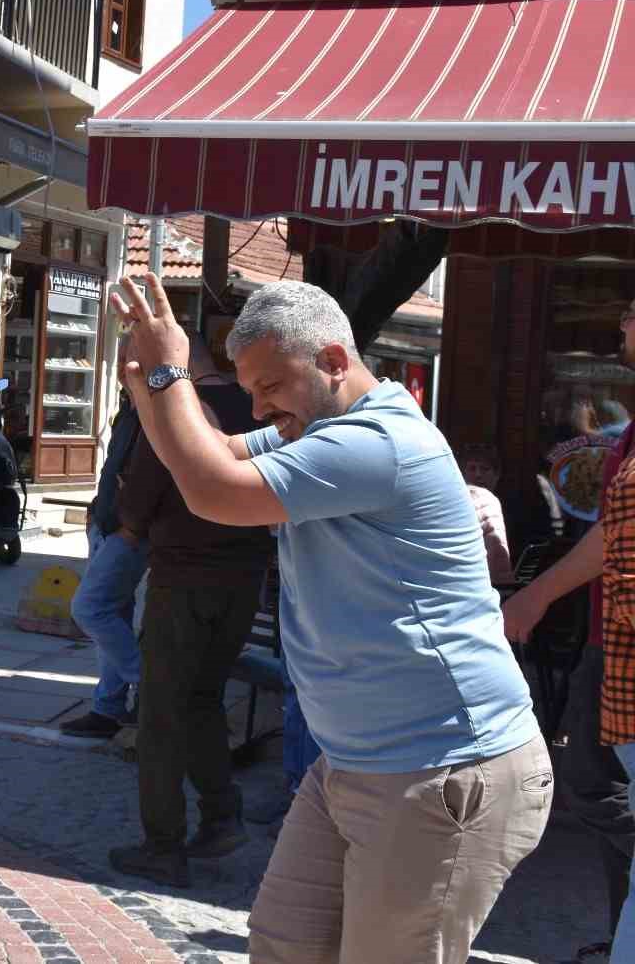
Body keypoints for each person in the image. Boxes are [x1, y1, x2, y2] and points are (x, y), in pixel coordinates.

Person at [114, 275, 549, 963]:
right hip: (354, 763)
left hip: (442, 770)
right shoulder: (321, 432)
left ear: (334, 362)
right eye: (250, 391)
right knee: (283, 947)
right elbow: (211, 454)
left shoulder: (376, 443)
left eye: (270, 387)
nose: (258, 410)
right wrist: (146, 380)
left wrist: (171, 369)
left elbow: (211, 489)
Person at [107, 331, 273, 888]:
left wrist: (130, 524)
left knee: (160, 714)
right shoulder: (256, 410)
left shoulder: (175, 404)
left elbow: (144, 493)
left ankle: (163, 845)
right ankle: (222, 815)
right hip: (245, 574)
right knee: (203, 698)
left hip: (184, 574)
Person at [504, 300, 635, 963]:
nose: (622, 330)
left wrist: (532, 597)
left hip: (621, 645)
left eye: (632, 317)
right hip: (604, 636)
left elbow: (619, 534)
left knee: (596, 784)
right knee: (595, 780)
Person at [61, 338, 149, 740]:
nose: (124, 366)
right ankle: (108, 707)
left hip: (129, 532)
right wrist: (97, 511)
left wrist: (134, 524)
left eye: (134, 358)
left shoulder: (157, 408)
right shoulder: (127, 409)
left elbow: (161, 476)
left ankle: (151, 688)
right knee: (113, 615)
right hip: (105, 522)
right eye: (122, 358)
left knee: (89, 608)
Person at [458, 443, 513, 586]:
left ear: (496, 475)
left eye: (484, 469)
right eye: (472, 468)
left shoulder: (508, 507)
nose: (478, 474)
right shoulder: (459, 505)